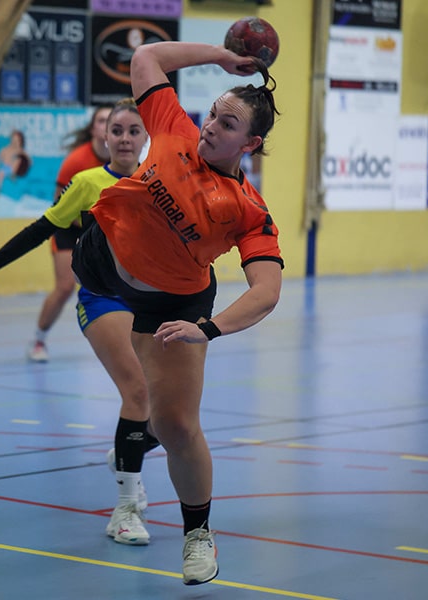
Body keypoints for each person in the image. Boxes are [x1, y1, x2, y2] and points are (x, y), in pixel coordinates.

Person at [71, 42, 282, 585]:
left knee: (176, 424)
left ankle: (197, 536)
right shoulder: (172, 130)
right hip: (102, 268)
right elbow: (145, 57)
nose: (211, 126)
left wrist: (207, 328)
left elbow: (265, 291)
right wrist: (219, 56)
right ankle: (127, 495)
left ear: (251, 143)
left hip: (174, 302)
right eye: (212, 112)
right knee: (136, 399)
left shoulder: (249, 210)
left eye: (228, 123)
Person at [0, 98, 159, 546]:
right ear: (104, 138)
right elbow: (38, 232)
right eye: (116, 130)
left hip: (152, 301)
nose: (123, 138)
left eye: (133, 130)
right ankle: (123, 509)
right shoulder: (86, 183)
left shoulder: (159, 181)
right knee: (137, 391)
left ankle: (126, 450)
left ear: (146, 137)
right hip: (103, 300)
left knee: (172, 416)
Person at [28, 104, 114, 363]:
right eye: (101, 120)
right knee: (65, 286)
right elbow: (58, 206)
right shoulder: (77, 161)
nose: (106, 125)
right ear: (93, 129)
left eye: (111, 121)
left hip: (103, 232)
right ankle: (39, 339)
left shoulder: (124, 159)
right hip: (69, 229)